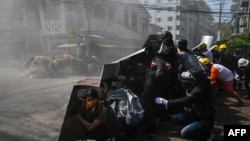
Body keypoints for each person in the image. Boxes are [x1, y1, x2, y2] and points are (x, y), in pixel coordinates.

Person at [155, 70, 215, 141]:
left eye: (187, 80)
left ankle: (207, 135)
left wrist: (168, 102)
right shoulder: (193, 86)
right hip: (195, 115)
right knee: (175, 118)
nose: (184, 82)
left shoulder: (199, 90)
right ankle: (195, 127)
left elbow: (187, 100)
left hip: (204, 121)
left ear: (193, 80)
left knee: (185, 133)